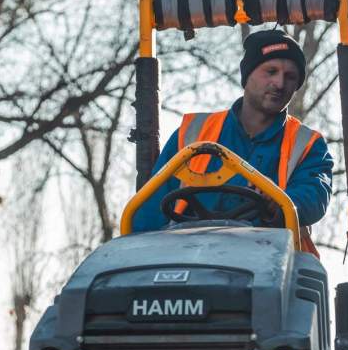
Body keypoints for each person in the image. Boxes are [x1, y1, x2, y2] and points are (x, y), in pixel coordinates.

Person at [131, 28, 334, 240]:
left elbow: (314, 194)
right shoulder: (192, 133)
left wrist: (282, 203)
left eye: (290, 77)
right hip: (188, 254)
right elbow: (151, 207)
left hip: (270, 255)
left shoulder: (308, 144)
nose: (280, 84)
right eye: (271, 71)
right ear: (247, 76)